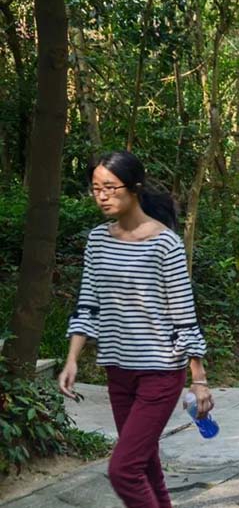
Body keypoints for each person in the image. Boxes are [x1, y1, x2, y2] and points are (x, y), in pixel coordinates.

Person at [58, 151, 213, 508]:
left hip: (160, 372)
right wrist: (72, 359)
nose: (102, 196)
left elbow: (183, 314)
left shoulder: (165, 244)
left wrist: (199, 377)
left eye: (110, 187)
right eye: (96, 188)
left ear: (135, 189)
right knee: (145, 465)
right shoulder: (98, 240)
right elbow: (88, 303)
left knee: (123, 470)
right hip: (118, 370)